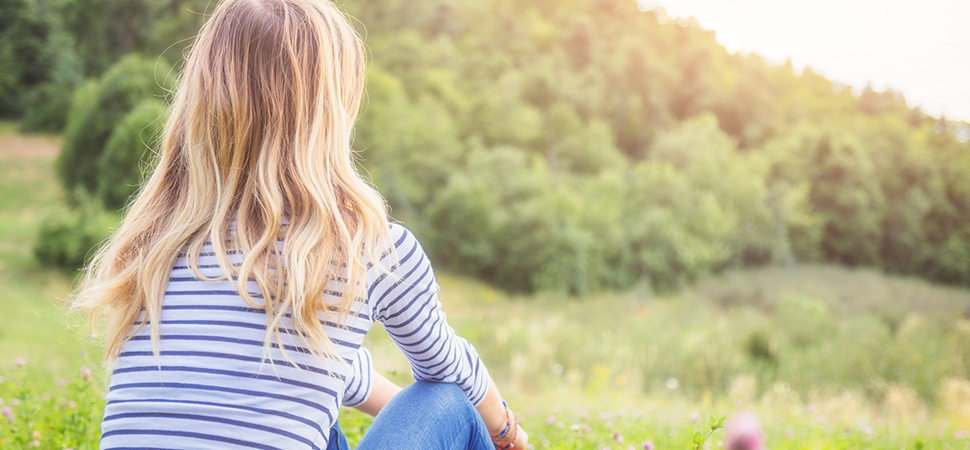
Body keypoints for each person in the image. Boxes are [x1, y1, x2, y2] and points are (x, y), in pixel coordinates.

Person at [70, 0, 529, 448]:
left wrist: (388, 407)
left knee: (320, 426)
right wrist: (506, 431)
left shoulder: (158, 243)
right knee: (447, 402)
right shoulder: (367, 246)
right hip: (453, 394)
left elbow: (304, 368)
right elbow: (449, 370)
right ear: (331, 110)